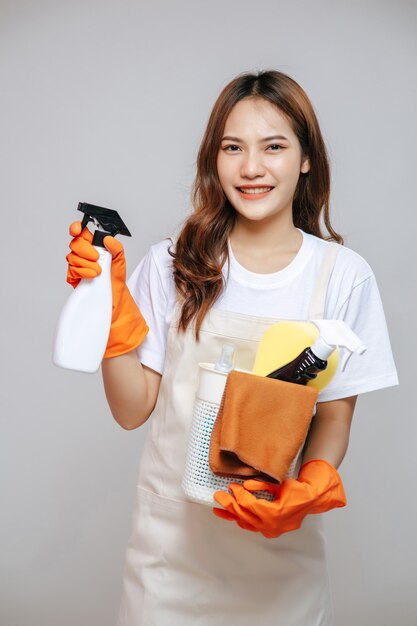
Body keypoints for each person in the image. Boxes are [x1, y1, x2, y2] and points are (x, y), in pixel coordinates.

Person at [66, 69, 399, 625]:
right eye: (232, 147)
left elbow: (335, 417)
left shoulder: (343, 276)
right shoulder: (173, 264)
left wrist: (311, 484)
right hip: (169, 559)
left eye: (274, 147)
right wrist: (111, 310)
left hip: (281, 562)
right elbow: (131, 411)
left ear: (306, 157)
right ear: (213, 158)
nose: (251, 168)